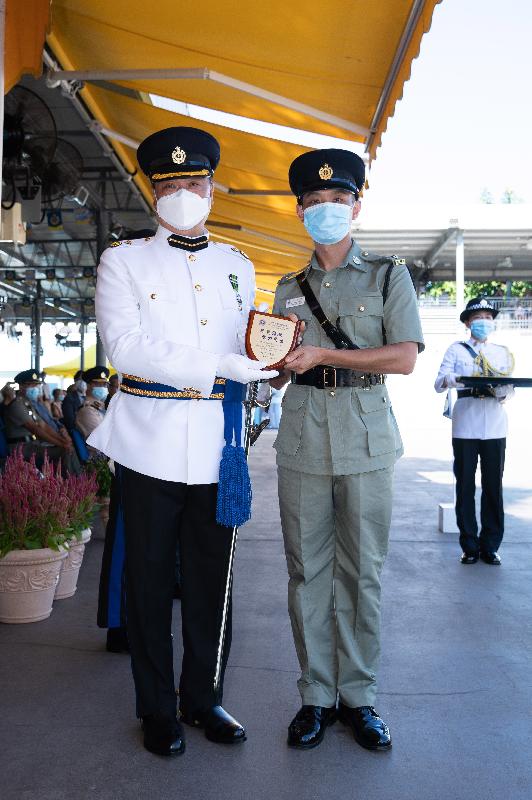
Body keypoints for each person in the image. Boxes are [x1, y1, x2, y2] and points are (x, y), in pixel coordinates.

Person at [87, 126, 277, 757]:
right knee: (145, 580)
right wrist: (221, 369)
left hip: (219, 445)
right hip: (149, 440)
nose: (182, 194)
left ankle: (204, 698)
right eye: (169, 184)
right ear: (152, 190)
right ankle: (156, 707)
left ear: (213, 188)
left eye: (193, 182)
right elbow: (128, 349)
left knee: (212, 580)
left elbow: (250, 344)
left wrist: (264, 366)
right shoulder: (123, 261)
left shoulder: (238, 266)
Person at [271, 148, 424, 752]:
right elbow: (278, 368)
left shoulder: (389, 275)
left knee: (363, 574)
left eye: (337, 201)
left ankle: (359, 697)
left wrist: (325, 355)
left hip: (366, 438)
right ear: (300, 212)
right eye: (314, 203)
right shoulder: (286, 288)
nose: (326, 211)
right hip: (304, 436)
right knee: (306, 572)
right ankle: (315, 696)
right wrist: (273, 367)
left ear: (357, 205)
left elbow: (405, 357)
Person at [434, 297, 514, 565]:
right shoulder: (456, 350)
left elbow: (508, 389)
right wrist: (452, 379)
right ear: (468, 322)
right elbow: (439, 382)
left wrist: (503, 391)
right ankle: (469, 545)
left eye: (488, 318)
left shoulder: (501, 352)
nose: (484, 322)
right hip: (466, 424)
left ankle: (490, 545)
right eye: (478, 318)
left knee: (493, 487)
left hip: (494, 424)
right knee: (465, 486)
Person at [4, 370, 81, 474]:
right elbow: (35, 429)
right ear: (21, 386)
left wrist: (63, 441)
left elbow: (43, 426)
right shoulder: (16, 404)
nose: (35, 388)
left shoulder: (27, 403)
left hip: (33, 444)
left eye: (36, 385)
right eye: (31, 385)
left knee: (68, 448)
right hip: (21, 448)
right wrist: (62, 444)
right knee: (65, 451)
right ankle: (73, 482)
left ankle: (76, 480)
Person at [75, 366, 109, 441]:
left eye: (104, 384)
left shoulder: (98, 406)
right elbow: (101, 439)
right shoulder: (87, 411)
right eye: (99, 384)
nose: (103, 387)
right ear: (88, 385)